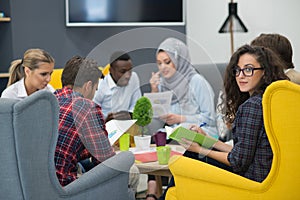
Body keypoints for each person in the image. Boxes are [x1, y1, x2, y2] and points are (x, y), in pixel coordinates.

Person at [158, 44, 289, 200]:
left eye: (248, 69)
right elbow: (244, 152)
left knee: (191, 154)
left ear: (264, 72)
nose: (241, 76)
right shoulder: (269, 101)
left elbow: (237, 162)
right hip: (264, 174)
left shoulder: (252, 106)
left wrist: (200, 149)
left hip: (252, 179)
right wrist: (208, 141)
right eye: (237, 70)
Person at [54, 56, 139, 198]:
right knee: (132, 172)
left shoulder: (50, 100)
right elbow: (107, 162)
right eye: (95, 89)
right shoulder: (87, 107)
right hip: (66, 187)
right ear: (88, 86)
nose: (94, 94)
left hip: (42, 184)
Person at [147, 37, 217, 200]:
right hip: (175, 131)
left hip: (203, 131)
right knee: (156, 138)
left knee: (175, 140)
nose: (163, 67)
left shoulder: (197, 82)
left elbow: (209, 117)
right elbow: (157, 116)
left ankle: (167, 192)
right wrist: (154, 90)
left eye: (167, 62)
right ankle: (154, 189)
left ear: (179, 60)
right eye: (159, 63)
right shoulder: (164, 83)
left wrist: (180, 117)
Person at [93, 51, 142, 122]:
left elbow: (136, 104)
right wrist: (106, 121)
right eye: (123, 71)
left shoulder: (134, 77)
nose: (128, 76)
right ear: (111, 70)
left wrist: (130, 114)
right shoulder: (99, 87)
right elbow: (91, 117)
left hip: (128, 124)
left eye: (130, 70)